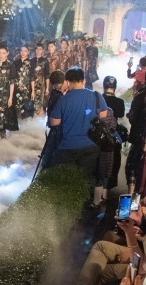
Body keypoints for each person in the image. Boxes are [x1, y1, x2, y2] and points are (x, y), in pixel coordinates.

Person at [46, 68, 109, 199]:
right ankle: (80, 205)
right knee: (83, 179)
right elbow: (103, 114)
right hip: (91, 146)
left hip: (67, 147)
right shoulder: (97, 96)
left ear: (67, 82)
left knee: (63, 180)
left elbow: (54, 122)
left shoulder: (63, 100)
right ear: (83, 80)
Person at [13, 45, 33, 122]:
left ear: (28, 52)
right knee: (17, 104)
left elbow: (32, 77)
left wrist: (33, 90)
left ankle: (26, 124)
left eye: (25, 51)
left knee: (26, 104)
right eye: (21, 51)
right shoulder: (15, 63)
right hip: (17, 87)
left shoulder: (31, 63)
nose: (23, 53)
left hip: (27, 88)